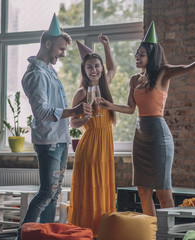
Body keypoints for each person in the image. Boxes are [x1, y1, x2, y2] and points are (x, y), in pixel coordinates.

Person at [100, 21, 195, 216]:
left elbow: (189, 67)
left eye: (141, 54)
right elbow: (130, 108)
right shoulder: (135, 79)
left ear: (151, 56)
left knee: (162, 190)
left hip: (159, 137)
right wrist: (109, 105)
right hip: (140, 136)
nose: (137, 57)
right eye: (136, 53)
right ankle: (152, 232)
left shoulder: (163, 73)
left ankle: (166, 234)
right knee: (143, 190)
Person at [16, 13, 92, 239]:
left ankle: (45, 235)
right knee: (46, 192)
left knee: (54, 193)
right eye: (60, 49)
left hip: (59, 140)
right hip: (48, 142)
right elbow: (42, 112)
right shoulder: (36, 74)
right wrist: (74, 111)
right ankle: (23, 235)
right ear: (47, 44)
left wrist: (76, 115)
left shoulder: (49, 70)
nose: (62, 54)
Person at [68, 34, 116, 236]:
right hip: (90, 145)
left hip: (106, 144)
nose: (94, 70)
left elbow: (113, 68)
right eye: (89, 67)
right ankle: (87, 231)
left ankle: (102, 229)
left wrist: (106, 45)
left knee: (103, 187)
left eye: (97, 66)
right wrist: (86, 120)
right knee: (91, 189)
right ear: (84, 70)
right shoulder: (81, 92)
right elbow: (72, 122)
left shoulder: (104, 86)